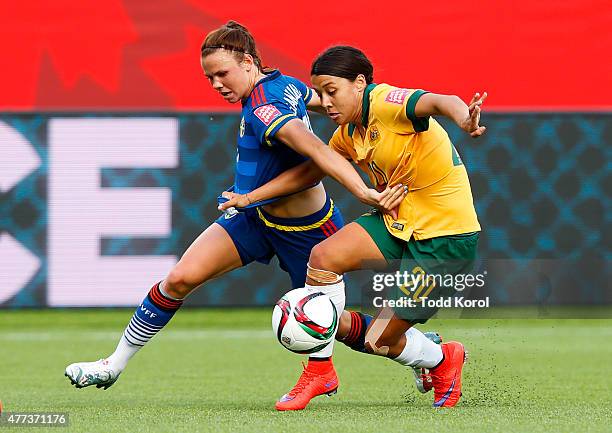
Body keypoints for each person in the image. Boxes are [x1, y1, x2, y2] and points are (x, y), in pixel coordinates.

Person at [64, 23, 411, 407]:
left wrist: (364, 191)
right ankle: (113, 364)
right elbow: (322, 101)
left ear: (247, 62)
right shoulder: (287, 85)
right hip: (254, 217)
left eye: (222, 73)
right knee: (179, 278)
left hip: (308, 231)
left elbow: (317, 149)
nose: (215, 84)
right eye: (209, 77)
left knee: (334, 324)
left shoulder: (265, 108)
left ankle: (428, 354)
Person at [220, 45, 486, 408]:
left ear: (360, 83)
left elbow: (441, 101)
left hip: (446, 237)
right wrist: (249, 199)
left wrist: (464, 119)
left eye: (333, 91)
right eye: (321, 94)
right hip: (398, 221)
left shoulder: (387, 102)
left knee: (381, 341)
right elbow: (308, 173)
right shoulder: (347, 133)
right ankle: (319, 369)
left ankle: (442, 358)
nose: (326, 103)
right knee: (324, 256)